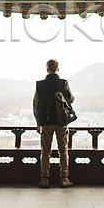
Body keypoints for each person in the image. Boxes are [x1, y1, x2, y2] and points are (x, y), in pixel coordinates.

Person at [32, 59, 75, 188]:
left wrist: (38, 121)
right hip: (61, 121)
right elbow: (71, 99)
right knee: (63, 150)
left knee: (45, 151)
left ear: (47, 69)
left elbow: (36, 104)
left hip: (46, 122)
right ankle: (64, 178)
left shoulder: (40, 85)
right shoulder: (63, 83)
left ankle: (44, 179)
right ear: (58, 69)